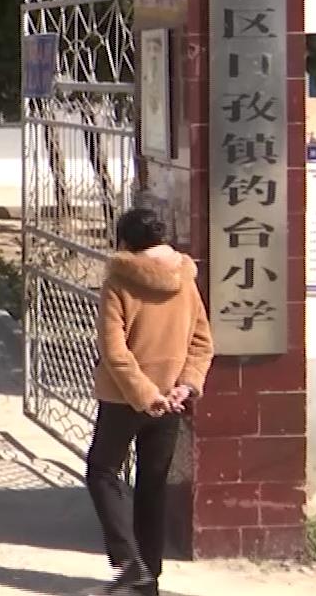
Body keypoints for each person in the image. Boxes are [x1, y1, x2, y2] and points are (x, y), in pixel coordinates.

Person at [85, 206, 213, 596]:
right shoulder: (185, 279)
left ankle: (128, 562)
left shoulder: (119, 281)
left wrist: (144, 394)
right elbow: (202, 342)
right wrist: (185, 387)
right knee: (152, 485)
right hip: (171, 400)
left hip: (124, 399)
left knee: (102, 471)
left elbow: (115, 351)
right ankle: (149, 579)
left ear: (125, 242)